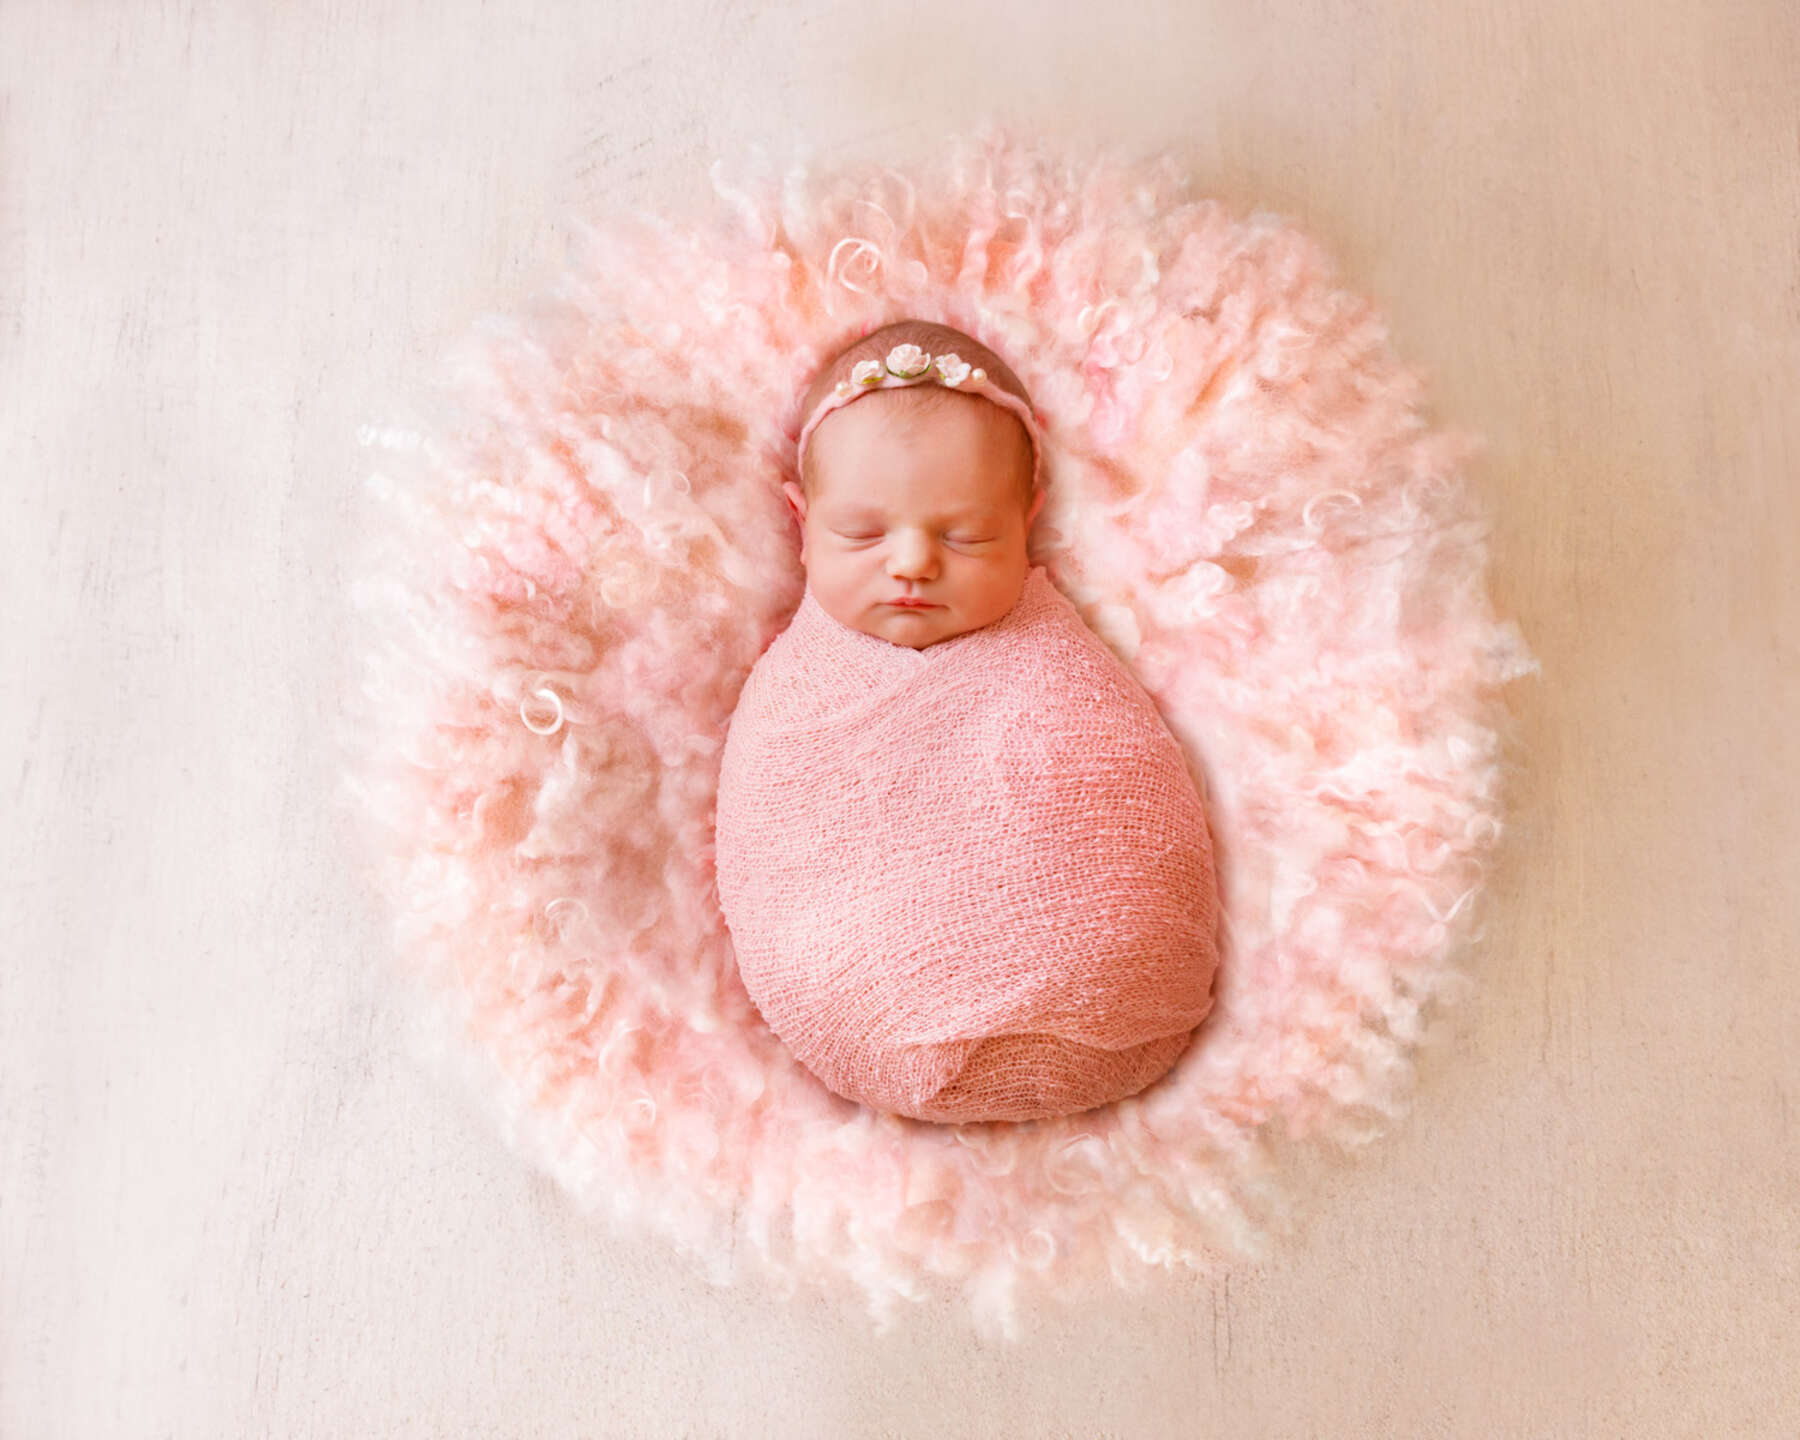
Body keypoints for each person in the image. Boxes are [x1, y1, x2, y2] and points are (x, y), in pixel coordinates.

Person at [785, 319, 1047, 650]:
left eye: (968, 536)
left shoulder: (1060, 664)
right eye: (862, 533)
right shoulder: (788, 680)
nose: (912, 564)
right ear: (803, 526)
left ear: (1025, 529)